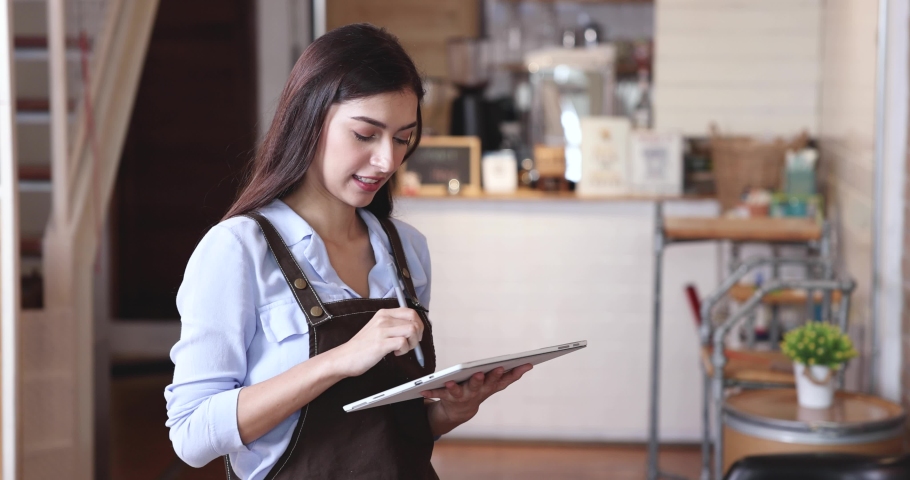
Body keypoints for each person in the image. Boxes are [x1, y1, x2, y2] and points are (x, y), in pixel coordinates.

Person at [164, 23, 532, 479]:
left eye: (402, 138)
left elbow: (391, 431)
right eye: (365, 135)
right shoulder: (237, 250)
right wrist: (338, 360)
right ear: (309, 118)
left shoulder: (407, 250)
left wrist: (450, 412)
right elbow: (191, 435)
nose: (387, 162)